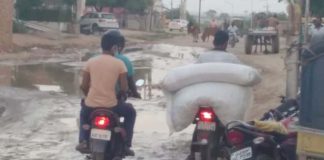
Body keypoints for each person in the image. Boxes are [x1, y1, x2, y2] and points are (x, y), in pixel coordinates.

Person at [76, 31, 136, 156]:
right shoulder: (120, 64)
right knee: (131, 112)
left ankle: (83, 141)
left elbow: (83, 85)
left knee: (83, 114)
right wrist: (123, 94)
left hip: (91, 105)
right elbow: (124, 88)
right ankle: (126, 144)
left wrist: (89, 96)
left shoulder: (90, 62)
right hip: (111, 105)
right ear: (114, 47)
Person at [115, 33, 141, 99]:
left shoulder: (94, 59)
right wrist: (137, 95)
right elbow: (130, 83)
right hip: (116, 99)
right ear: (120, 47)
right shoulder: (124, 60)